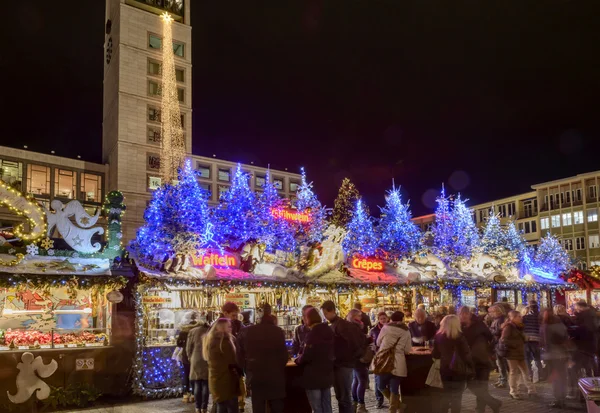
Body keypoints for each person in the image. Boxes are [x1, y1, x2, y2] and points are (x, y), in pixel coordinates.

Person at [236, 304, 288, 413]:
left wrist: (247, 368)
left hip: (257, 374)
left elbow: (242, 352)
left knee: (258, 404)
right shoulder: (278, 331)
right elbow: (284, 355)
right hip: (275, 374)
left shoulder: (250, 331)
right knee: (276, 404)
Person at [321, 300, 366, 413]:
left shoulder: (342, 325)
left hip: (343, 365)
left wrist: (350, 357)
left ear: (332, 311)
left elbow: (354, 343)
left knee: (344, 397)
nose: (325, 317)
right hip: (339, 364)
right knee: (341, 396)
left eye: (326, 313)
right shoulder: (336, 324)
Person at [458, 307, 501, 413]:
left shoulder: (479, 325)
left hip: (481, 361)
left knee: (481, 386)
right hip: (470, 361)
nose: (463, 316)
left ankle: (480, 409)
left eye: (465, 314)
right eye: (460, 314)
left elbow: (491, 338)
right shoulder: (460, 327)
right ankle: (494, 403)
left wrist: (489, 352)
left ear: (469, 314)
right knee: (474, 386)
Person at [296, 307, 335, 413]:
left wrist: (298, 360)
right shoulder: (328, 330)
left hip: (313, 376)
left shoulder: (312, 334)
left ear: (308, 319)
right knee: (326, 405)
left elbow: (307, 355)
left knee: (317, 407)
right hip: (326, 373)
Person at [432, 315, 473, 413]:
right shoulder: (460, 337)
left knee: (445, 394)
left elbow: (436, 354)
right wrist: (471, 368)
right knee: (457, 397)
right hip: (459, 370)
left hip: (445, 369)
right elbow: (466, 355)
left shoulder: (438, 336)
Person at [376, 311, 412, 413]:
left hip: (384, 360)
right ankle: (397, 407)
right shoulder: (406, 331)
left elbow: (378, 342)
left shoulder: (386, 328)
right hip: (398, 362)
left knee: (381, 385)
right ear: (402, 319)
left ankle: (396, 407)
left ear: (391, 319)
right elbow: (407, 349)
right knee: (394, 387)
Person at [203, 318, 240, 413]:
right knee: (230, 404)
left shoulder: (210, 340)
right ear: (222, 328)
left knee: (221, 403)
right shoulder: (224, 341)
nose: (231, 328)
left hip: (216, 377)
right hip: (227, 378)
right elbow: (232, 360)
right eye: (229, 326)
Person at [501, 310, 536, 399]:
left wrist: (524, 339)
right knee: (513, 372)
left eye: (520, 316)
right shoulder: (508, 327)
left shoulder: (519, 327)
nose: (521, 318)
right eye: (519, 317)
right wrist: (515, 344)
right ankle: (513, 391)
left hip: (520, 352)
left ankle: (531, 390)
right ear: (513, 318)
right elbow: (503, 340)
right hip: (512, 353)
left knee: (526, 371)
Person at [540, 309, 569, 408]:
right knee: (562, 377)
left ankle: (558, 399)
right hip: (562, 354)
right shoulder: (561, 325)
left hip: (552, 355)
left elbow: (545, 342)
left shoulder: (546, 327)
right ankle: (562, 398)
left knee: (555, 378)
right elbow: (566, 338)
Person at [221, 302, 245, 411]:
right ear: (225, 313)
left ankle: (240, 404)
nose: (235, 318)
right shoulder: (217, 327)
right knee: (223, 401)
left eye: (236, 315)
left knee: (233, 397)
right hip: (223, 368)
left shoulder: (238, 325)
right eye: (233, 315)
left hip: (235, 366)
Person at [347, 309, 370, 413]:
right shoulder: (354, 327)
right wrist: (368, 340)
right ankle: (360, 405)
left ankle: (355, 404)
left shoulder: (350, 327)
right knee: (362, 380)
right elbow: (358, 342)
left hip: (353, 357)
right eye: (359, 316)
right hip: (359, 357)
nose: (361, 318)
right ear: (354, 317)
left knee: (356, 380)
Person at [187, 320, 211, 413]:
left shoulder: (192, 331)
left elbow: (188, 347)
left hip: (195, 358)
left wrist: (190, 357)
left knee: (197, 383)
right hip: (207, 358)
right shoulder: (209, 331)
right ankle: (204, 408)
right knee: (205, 383)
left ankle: (197, 407)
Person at [177, 312, 199, 403]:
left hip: (186, 356)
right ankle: (194, 394)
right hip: (197, 356)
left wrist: (184, 344)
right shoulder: (199, 330)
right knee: (195, 375)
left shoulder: (184, 331)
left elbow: (178, 344)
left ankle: (186, 394)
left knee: (186, 374)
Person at [370, 312, 390, 409]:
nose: (383, 320)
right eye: (381, 318)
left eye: (384, 318)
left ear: (387, 318)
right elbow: (372, 342)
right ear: (378, 319)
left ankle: (391, 399)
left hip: (389, 356)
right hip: (378, 357)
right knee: (378, 380)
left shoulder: (391, 328)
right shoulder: (374, 330)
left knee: (389, 378)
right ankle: (379, 400)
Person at [522, 302, 544, 382]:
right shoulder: (539, 318)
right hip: (536, 339)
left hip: (527, 340)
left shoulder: (524, 318)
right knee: (537, 358)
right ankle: (541, 376)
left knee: (527, 358)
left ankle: (530, 375)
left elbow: (521, 328)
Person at [488, 304, 508, 388]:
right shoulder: (497, 320)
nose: (491, 314)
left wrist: (490, 330)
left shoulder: (500, 320)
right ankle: (501, 379)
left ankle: (503, 380)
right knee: (499, 363)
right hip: (497, 343)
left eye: (492, 312)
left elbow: (498, 331)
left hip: (499, 344)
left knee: (501, 363)